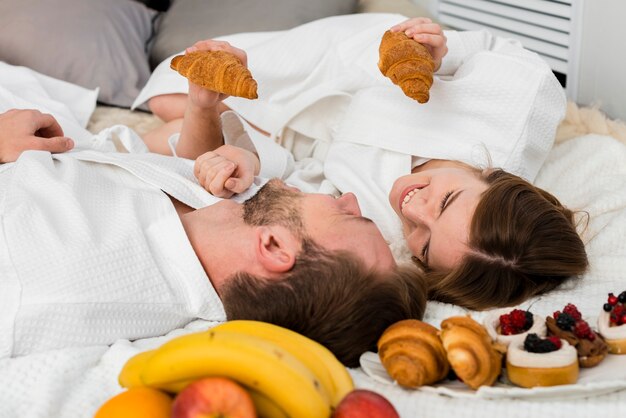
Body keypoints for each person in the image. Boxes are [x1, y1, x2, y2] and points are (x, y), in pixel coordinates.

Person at [137, 14, 589, 310]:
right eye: (445, 202)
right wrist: (441, 53)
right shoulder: (519, 105)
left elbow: (302, 181)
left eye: (425, 244)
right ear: (492, 175)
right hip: (351, 62)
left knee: (170, 124)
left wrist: (249, 160)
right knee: (164, 94)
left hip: (312, 127)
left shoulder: (384, 231)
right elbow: (497, 47)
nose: (411, 209)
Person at [0, 105, 428, 367]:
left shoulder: (40, 284)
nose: (350, 199)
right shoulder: (220, 215)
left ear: (275, 247)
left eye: (351, 218)